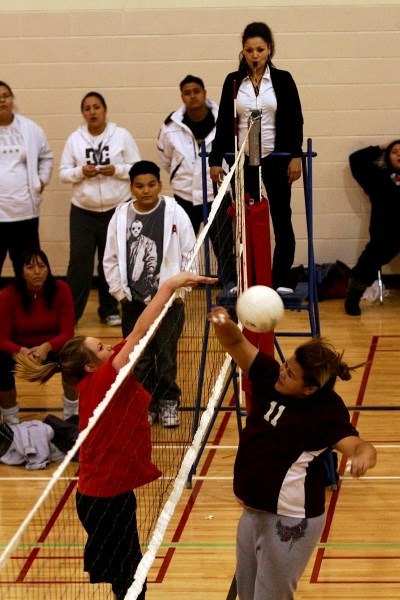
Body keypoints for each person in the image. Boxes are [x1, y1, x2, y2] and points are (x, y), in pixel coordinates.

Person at [14, 271, 216, 600]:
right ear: (92, 366)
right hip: (103, 501)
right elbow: (138, 334)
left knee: (130, 580)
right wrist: (168, 285)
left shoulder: (102, 374)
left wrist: (169, 295)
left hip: (112, 493)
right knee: (132, 581)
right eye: (102, 347)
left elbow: (143, 333)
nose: (110, 346)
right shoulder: (104, 381)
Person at [208, 305, 377, 600]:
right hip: (252, 511)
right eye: (286, 364)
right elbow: (235, 343)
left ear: (309, 388)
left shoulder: (325, 411)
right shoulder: (269, 376)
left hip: (290, 521)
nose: (282, 372)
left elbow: (358, 445)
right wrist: (222, 321)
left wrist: (362, 457)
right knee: (246, 595)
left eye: (291, 374)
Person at [209, 22, 304, 294]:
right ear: (243, 51)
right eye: (249, 50)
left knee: (281, 219)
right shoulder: (233, 81)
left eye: (260, 49)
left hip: (276, 158)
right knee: (245, 220)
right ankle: (246, 278)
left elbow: (296, 119)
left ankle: (281, 279)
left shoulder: (283, 79)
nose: (255, 55)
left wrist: (295, 155)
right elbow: (225, 123)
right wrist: (216, 159)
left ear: (269, 49)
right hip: (244, 160)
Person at [104, 160, 197, 427]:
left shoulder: (174, 212)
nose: (146, 191)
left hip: (169, 302)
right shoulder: (121, 216)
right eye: (140, 186)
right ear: (131, 187)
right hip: (134, 302)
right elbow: (110, 257)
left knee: (166, 356)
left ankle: (169, 402)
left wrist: (182, 289)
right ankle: (146, 403)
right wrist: (119, 293)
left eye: (152, 185)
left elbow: (191, 251)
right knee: (139, 358)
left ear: (160, 184)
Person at [59, 91, 141, 326]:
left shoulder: (121, 135)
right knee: (79, 263)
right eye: (87, 108)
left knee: (111, 261)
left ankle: (109, 310)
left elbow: (137, 168)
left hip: (116, 209)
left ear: (105, 110)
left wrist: (116, 169)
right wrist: (79, 172)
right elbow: (63, 174)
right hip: (83, 212)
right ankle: (70, 315)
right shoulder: (75, 139)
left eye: (96, 107)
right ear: (83, 113)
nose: (92, 112)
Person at [157, 75, 236, 287]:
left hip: (217, 195)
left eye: (196, 91)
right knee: (179, 247)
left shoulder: (225, 118)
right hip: (184, 197)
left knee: (224, 248)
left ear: (204, 92)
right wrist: (181, 176)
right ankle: (178, 293)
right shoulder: (171, 125)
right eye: (187, 92)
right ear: (182, 96)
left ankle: (229, 290)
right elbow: (165, 157)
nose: (193, 96)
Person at [0, 248, 76, 425]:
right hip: (20, 352)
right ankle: (10, 418)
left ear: (48, 269)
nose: (37, 272)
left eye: (42, 266)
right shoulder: (8, 295)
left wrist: (47, 346)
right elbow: (2, 339)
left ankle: (72, 414)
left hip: (51, 349)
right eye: (30, 267)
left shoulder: (61, 289)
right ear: (21, 272)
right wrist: (22, 351)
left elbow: (67, 333)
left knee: (75, 354)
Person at [0, 81, 53, 278]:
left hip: (24, 214)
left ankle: (28, 309)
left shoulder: (30, 129)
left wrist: (41, 181)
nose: (1, 101)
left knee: (28, 271)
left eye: (5, 95)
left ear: (12, 99)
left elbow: (46, 157)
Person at [345, 140, 400, 316]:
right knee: (368, 262)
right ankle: (352, 299)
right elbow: (356, 160)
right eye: (395, 152)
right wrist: (381, 147)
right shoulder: (378, 178)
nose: (399, 155)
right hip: (385, 235)